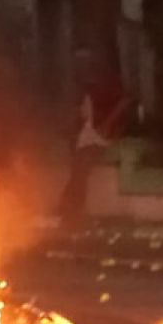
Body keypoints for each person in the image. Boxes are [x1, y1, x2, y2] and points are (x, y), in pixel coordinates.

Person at [58, 50, 131, 223]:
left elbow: (123, 103)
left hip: (100, 136)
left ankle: (70, 207)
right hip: (88, 134)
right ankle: (69, 207)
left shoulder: (108, 88)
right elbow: (84, 114)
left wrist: (107, 126)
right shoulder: (88, 89)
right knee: (78, 169)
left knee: (80, 168)